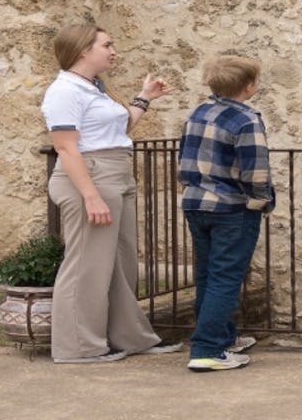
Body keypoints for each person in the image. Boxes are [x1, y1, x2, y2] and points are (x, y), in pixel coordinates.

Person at [41, 23, 183, 363]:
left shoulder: (93, 87)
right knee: (86, 265)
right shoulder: (64, 91)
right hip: (91, 177)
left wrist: (144, 98)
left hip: (115, 173)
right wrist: (91, 196)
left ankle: (129, 338)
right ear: (82, 50)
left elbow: (117, 129)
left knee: (117, 263)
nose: (114, 51)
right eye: (107, 44)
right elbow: (65, 147)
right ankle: (77, 347)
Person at [178, 56, 274, 372]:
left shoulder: (198, 113)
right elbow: (255, 170)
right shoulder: (246, 120)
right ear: (249, 86)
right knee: (226, 276)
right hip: (232, 208)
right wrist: (261, 202)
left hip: (196, 203)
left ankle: (221, 338)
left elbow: (185, 158)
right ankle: (207, 350)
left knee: (207, 273)